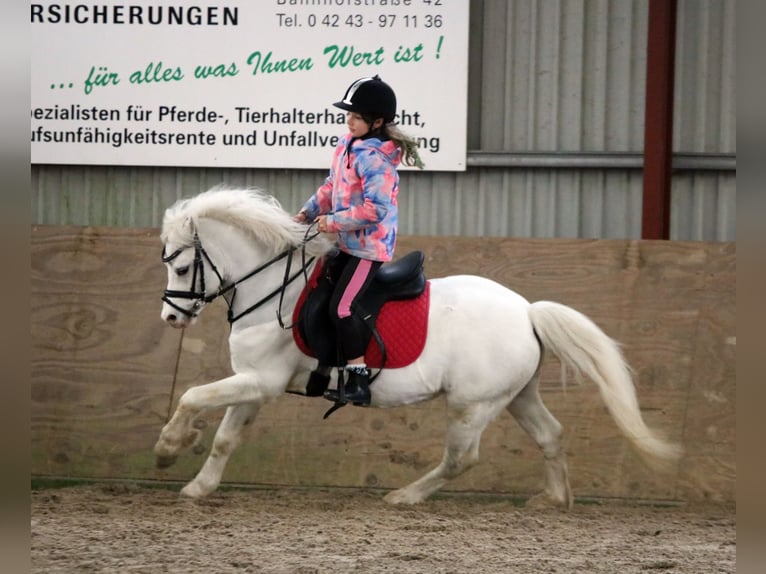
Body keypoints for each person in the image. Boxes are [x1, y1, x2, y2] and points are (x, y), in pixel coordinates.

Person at [295, 74, 423, 406]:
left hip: (368, 247)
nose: (349, 121)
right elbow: (330, 186)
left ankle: (358, 379)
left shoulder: (377, 158)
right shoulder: (345, 145)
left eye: (356, 117)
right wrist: (307, 213)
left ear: (377, 122)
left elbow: (376, 209)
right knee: (318, 296)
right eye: (348, 115)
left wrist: (333, 223)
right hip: (343, 243)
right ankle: (324, 366)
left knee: (341, 307)